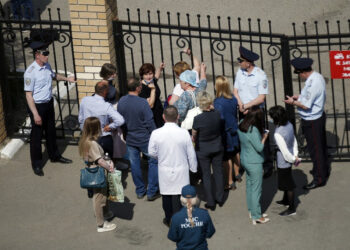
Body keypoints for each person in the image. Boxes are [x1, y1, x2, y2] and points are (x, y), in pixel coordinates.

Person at [24, 41, 74, 176]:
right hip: (37, 106)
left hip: (48, 103)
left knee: (51, 131)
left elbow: (54, 75)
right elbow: (29, 95)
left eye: (48, 53)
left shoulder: (46, 66)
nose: (47, 56)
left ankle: (55, 156)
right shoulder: (30, 72)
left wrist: (67, 79)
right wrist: (35, 114)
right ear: (37, 55)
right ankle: (37, 164)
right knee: (37, 136)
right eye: (45, 54)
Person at [284, 57, 330, 190]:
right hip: (315, 118)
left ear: (302, 72)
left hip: (312, 120)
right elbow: (309, 96)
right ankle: (321, 170)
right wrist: (299, 96)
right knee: (319, 147)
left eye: (298, 73)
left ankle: (319, 178)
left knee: (316, 150)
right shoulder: (315, 77)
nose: (299, 76)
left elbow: (305, 105)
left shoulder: (313, 82)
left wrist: (293, 102)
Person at [148, 106, 198, 227]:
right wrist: (194, 169)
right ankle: (180, 219)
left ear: (163, 117)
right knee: (180, 196)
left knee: (166, 195)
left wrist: (160, 157)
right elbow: (191, 153)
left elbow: (151, 152)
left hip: (165, 169)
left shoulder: (156, 133)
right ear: (178, 117)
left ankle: (169, 218)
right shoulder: (184, 133)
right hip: (181, 169)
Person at [233, 46, 272, 178]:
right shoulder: (240, 72)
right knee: (244, 136)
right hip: (242, 108)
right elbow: (235, 91)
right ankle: (245, 163)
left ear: (248, 63)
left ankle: (267, 164)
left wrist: (247, 106)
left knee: (260, 136)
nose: (239, 62)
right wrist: (240, 105)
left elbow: (262, 97)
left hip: (255, 111)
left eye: (240, 60)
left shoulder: (260, 76)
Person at [117, 78, 159, 201]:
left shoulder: (122, 101)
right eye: (140, 86)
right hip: (145, 139)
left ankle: (140, 190)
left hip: (130, 138)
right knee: (153, 162)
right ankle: (152, 191)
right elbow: (149, 122)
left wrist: (125, 133)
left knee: (135, 164)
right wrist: (156, 135)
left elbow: (121, 120)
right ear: (137, 88)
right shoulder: (142, 103)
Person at [78, 117, 116, 233]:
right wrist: (110, 167)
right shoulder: (92, 143)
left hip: (93, 170)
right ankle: (101, 224)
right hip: (98, 172)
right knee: (99, 197)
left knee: (101, 194)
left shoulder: (85, 141)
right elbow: (99, 160)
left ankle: (107, 213)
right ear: (95, 129)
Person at [192, 91, 224, 211]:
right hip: (217, 146)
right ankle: (220, 198)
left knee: (206, 175)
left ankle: (210, 202)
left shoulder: (198, 119)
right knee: (218, 172)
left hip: (203, 149)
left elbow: (194, 134)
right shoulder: (217, 114)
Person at [237, 106, 270, 224]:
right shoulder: (253, 130)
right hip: (254, 162)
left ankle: (252, 211)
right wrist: (264, 137)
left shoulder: (241, 123)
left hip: (245, 160)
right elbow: (259, 147)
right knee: (256, 189)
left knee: (250, 187)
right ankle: (257, 216)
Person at [78, 81, 125, 157]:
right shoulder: (106, 106)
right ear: (105, 92)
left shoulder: (84, 100)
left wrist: (84, 130)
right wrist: (110, 126)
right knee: (107, 162)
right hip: (102, 138)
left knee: (91, 161)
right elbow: (120, 120)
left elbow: (80, 119)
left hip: (87, 137)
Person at [269, 106, 300, 216]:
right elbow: (294, 140)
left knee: (288, 184)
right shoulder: (290, 125)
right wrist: (295, 155)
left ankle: (291, 208)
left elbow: (284, 151)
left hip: (283, 161)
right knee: (286, 181)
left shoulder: (278, 133)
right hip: (291, 155)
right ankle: (286, 200)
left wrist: (292, 158)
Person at [214, 76, 241, 190]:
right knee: (235, 152)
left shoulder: (218, 102)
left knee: (226, 158)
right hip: (235, 129)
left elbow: (220, 119)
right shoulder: (233, 99)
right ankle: (237, 173)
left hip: (226, 132)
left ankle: (229, 182)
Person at [168, 185, 215, 250]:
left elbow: (173, 237)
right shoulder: (204, 214)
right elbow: (210, 233)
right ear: (196, 198)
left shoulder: (176, 217)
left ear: (181, 198)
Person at [138, 62, 165, 128]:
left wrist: (160, 68)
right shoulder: (141, 88)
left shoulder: (152, 81)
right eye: (146, 74)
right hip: (151, 115)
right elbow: (150, 105)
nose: (148, 77)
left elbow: (156, 77)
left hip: (159, 111)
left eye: (150, 74)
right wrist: (153, 89)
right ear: (142, 75)